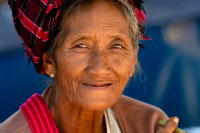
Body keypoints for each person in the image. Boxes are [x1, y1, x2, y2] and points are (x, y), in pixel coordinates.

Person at [0, 0, 179, 132]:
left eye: (116, 46)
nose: (99, 68)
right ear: (49, 62)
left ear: (133, 59)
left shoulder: (150, 124)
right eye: (81, 46)